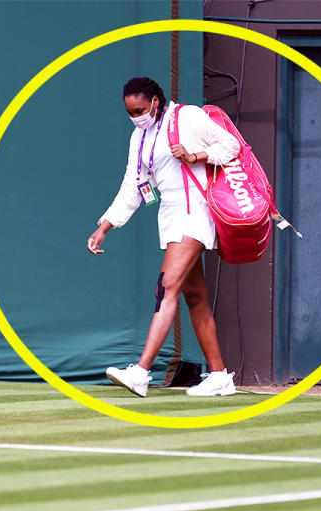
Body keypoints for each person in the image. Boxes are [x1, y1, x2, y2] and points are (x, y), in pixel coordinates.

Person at [87, 77, 241, 396]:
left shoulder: (188, 116)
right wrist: (105, 226)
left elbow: (231, 147)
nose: (136, 116)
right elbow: (133, 187)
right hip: (170, 216)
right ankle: (219, 376)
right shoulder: (139, 137)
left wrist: (194, 156)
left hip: (195, 212)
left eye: (140, 109)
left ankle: (142, 372)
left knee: (166, 287)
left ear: (156, 102)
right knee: (194, 296)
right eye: (130, 111)